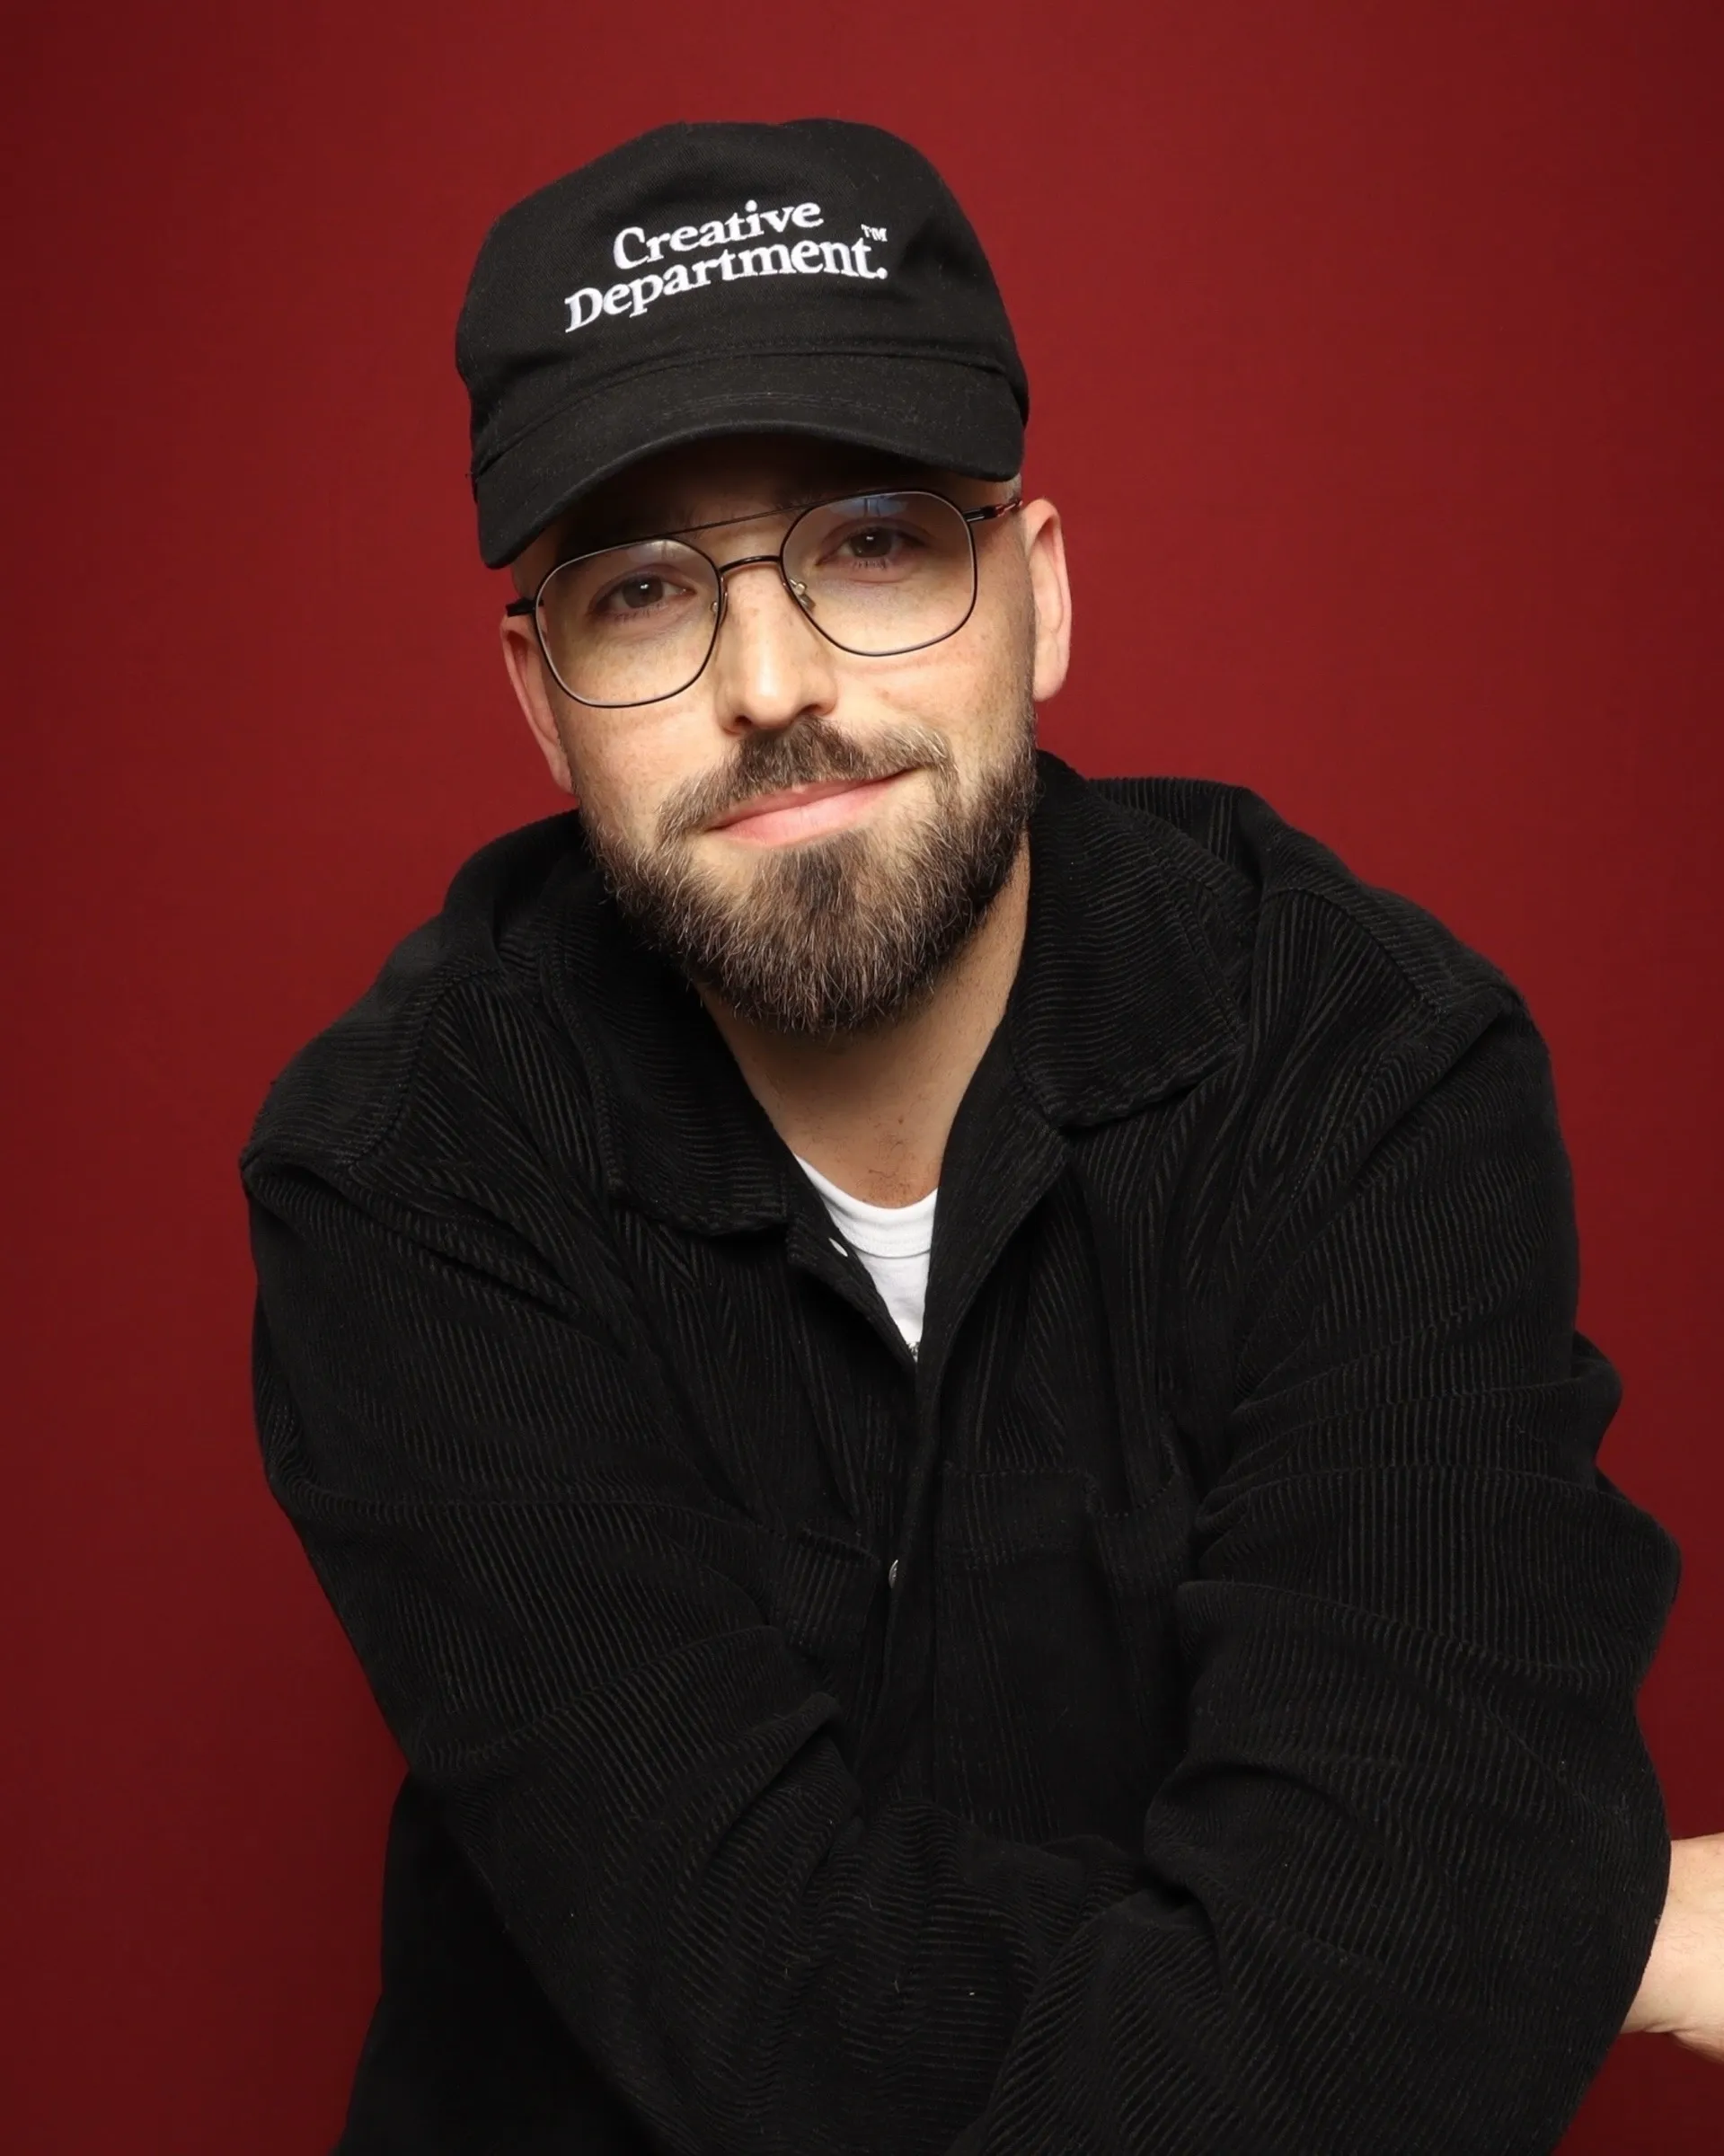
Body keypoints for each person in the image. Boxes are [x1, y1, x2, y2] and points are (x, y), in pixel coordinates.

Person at [242, 119, 1717, 2154]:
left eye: (870, 542)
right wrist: (1539, 1936)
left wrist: (1426, 1928)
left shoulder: (1363, 1067)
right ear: (540, 701)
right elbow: (770, 2017)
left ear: (1036, 595)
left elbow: (1393, 1881)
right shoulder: (408, 1174)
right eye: (642, 591)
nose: (770, 686)